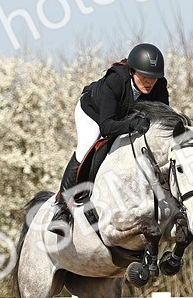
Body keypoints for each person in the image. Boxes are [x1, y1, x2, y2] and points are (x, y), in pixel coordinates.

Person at [49, 42, 171, 234]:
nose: (150, 82)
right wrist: (132, 125)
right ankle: (61, 208)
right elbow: (106, 126)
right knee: (86, 148)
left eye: (153, 78)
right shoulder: (115, 80)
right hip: (93, 114)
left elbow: (162, 121)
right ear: (132, 72)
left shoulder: (159, 85)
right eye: (145, 77)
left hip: (124, 118)